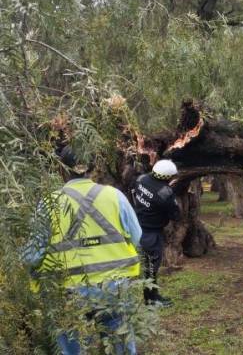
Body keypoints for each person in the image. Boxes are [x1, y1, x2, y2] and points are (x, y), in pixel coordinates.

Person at [23, 146, 143, 355]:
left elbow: (33, 255)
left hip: (68, 291)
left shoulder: (50, 203)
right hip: (114, 286)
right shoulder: (115, 196)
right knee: (120, 345)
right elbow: (137, 236)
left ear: (61, 169)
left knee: (72, 347)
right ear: (92, 168)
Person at [132, 159, 180, 306]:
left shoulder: (140, 179)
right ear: (168, 178)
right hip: (151, 233)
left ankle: (150, 295)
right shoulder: (165, 193)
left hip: (136, 227)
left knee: (145, 264)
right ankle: (151, 298)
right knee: (151, 266)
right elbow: (176, 215)